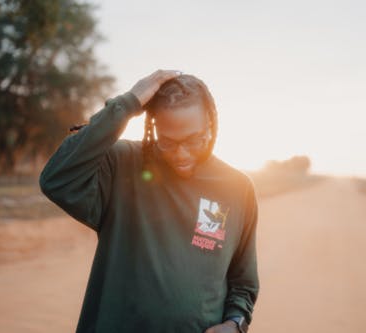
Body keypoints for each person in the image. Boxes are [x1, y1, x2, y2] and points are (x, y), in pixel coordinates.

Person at [39, 70, 259, 333]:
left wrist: (236, 324)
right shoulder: (121, 164)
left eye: (194, 140)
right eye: (167, 142)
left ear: (211, 124)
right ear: (153, 128)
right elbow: (56, 178)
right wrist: (128, 104)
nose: (181, 154)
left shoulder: (237, 187)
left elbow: (243, 281)